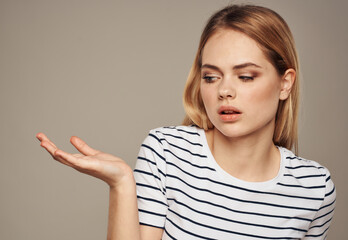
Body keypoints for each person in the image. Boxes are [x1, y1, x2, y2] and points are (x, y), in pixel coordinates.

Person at [36, 4, 336, 240]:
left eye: (245, 76)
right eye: (210, 77)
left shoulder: (315, 188)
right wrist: (122, 184)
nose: (224, 91)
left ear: (285, 84)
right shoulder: (166, 152)